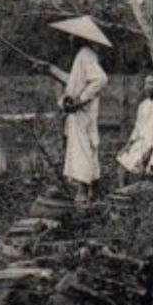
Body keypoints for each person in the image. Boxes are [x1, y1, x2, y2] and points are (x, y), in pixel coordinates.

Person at [40, 33, 109, 201]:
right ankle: (94, 193)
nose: (69, 39)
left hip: (83, 113)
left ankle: (83, 194)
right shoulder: (85, 55)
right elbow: (74, 81)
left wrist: (80, 100)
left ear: (81, 37)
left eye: (72, 36)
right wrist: (50, 69)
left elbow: (100, 80)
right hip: (83, 113)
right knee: (88, 149)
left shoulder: (85, 54)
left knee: (82, 150)